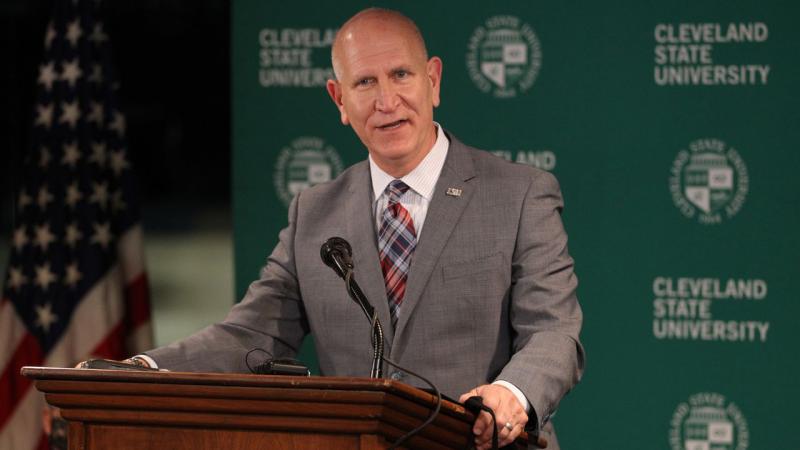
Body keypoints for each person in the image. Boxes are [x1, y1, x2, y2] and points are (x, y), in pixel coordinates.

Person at [106, 8, 584, 449]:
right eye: (365, 82)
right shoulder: (314, 213)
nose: (386, 100)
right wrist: (145, 369)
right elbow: (251, 334)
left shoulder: (519, 194)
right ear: (339, 99)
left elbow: (554, 332)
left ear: (433, 81)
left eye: (401, 75)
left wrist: (511, 394)